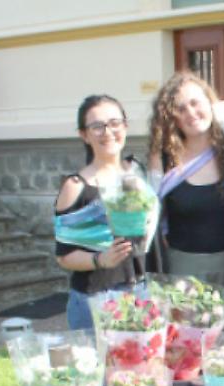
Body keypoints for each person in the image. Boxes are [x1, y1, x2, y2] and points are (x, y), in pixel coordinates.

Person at [54, 95, 148, 331]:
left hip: (141, 293)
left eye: (115, 123)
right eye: (97, 126)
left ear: (125, 126)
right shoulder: (75, 187)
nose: (108, 132)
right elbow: (63, 256)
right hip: (95, 300)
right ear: (84, 134)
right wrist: (99, 259)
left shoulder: (138, 173)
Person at [148, 73, 224, 289]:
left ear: (210, 103)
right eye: (180, 109)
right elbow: (152, 216)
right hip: (183, 271)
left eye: (195, 103)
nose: (191, 113)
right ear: (171, 118)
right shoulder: (163, 159)